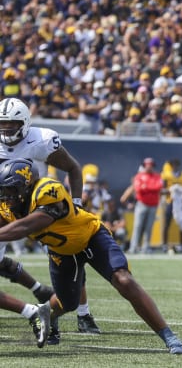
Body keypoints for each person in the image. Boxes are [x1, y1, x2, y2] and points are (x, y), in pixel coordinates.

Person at [0, 159, 182, 354]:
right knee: (67, 303)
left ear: (27, 184)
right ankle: (46, 313)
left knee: (123, 280)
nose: (7, 196)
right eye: (3, 191)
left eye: (11, 190)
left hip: (91, 236)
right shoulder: (6, 207)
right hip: (62, 252)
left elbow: (27, 226)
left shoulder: (48, 189)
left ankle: (168, 336)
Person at [0, 97, 100, 336]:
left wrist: (76, 204)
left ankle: (83, 313)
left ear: (24, 123)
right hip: (3, 210)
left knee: (71, 258)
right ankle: (37, 303)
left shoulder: (41, 140)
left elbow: (73, 168)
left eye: (11, 124)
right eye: (2, 124)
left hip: (39, 211)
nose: (5, 129)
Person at [122, 157, 164, 254]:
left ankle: (146, 247)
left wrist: (146, 187)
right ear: (144, 166)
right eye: (147, 165)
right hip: (142, 204)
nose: (149, 167)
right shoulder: (139, 176)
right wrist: (150, 188)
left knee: (149, 227)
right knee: (138, 226)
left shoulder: (157, 176)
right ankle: (133, 247)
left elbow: (159, 187)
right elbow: (138, 189)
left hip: (153, 205)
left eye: (151, 165)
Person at [161, 159, 182, 253]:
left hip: (181, 203)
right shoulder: (167, 175)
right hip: (170, 202)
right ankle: (164, 245)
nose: (175, 166)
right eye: (173, 165)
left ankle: (181, 245)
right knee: (166, 224)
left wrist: (180, 189)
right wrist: (171, 190)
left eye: (176, 164)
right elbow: (162, 190)